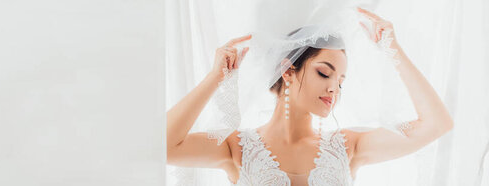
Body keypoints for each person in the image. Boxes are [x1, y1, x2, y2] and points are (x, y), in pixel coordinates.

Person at [166, 7, 453, 186]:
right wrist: (216, 77)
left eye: (341, 82)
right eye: (324, 73)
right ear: (288, 71)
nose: (334, 89)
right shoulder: (236, 148)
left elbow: (436, 125)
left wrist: (393, 50)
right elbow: (163, 146)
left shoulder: (348, 147)